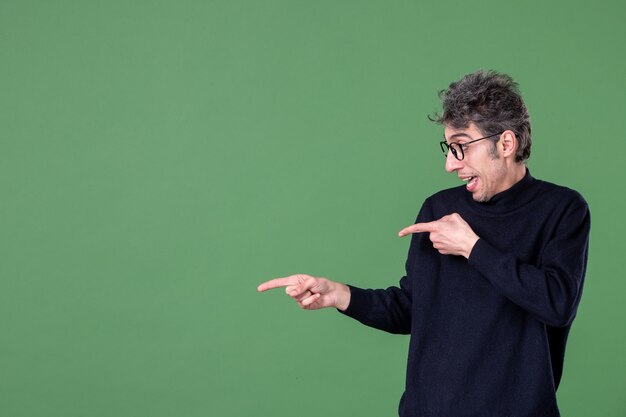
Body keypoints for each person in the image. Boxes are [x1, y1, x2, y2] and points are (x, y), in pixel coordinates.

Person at [257, 70, 590, 417]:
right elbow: (412, 308)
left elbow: (556, 303)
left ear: (505, 144)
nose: (450, 164)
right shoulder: (439, 209)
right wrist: (339, 295)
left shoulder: (562, 209)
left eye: (461, 147)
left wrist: (473, 247)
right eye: (449, 148)